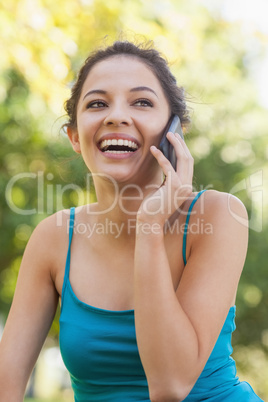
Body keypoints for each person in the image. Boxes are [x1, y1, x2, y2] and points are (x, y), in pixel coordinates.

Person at [0, 40, 263, 402]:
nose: (116, 116)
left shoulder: (219, 214)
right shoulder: (54, 238)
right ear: (75, 136)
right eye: (96, 104)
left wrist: (150, 227)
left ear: (175, 132)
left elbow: (170, 386)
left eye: (141, 102)